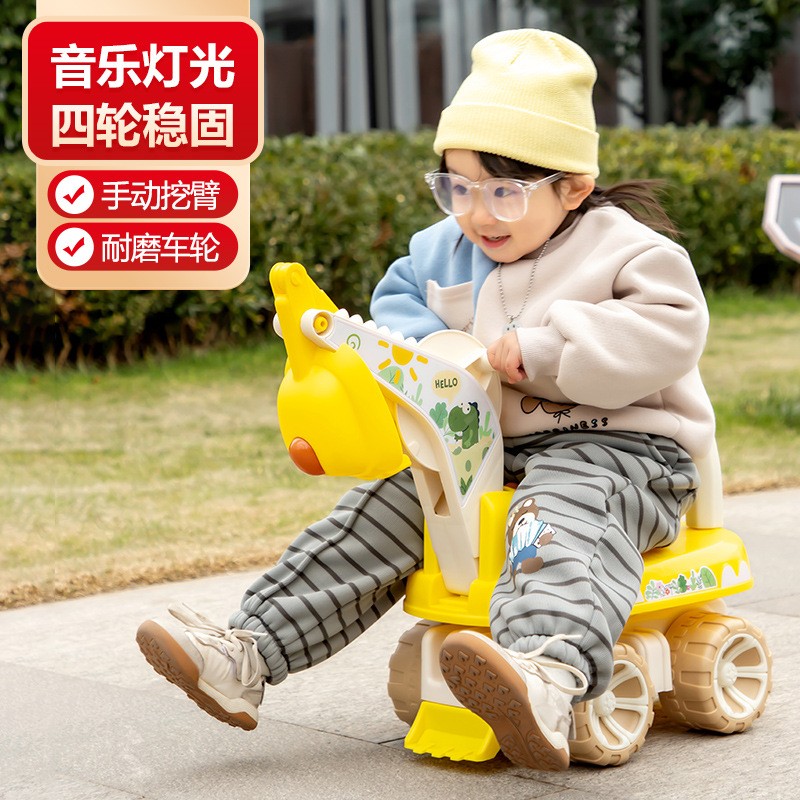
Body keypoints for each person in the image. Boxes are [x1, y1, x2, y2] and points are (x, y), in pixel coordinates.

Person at [136, 28, 715, 771]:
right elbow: (397, 309)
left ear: (571, 187)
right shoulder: (441, 249)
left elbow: (669, 331)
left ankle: (547, 671)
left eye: (504, 190)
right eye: (457, 186)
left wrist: (546, 349)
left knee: (558, 516)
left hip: (620, 450)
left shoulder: (629, 250)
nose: (478, 213)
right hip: (478, 447)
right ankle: (248, 651)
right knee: (380, 512)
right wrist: (420, 355)